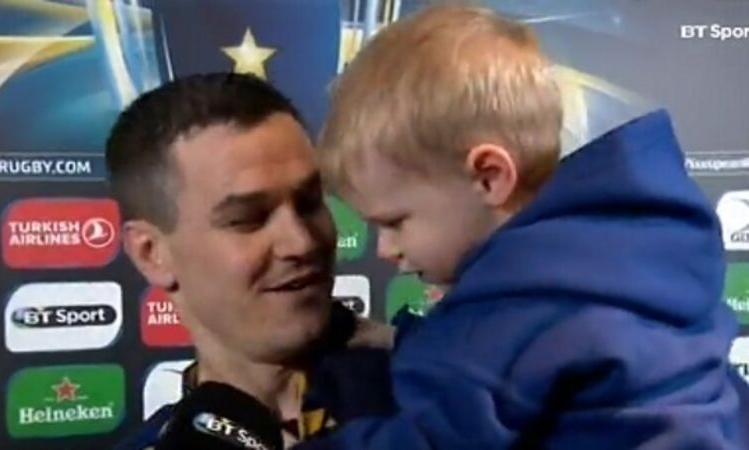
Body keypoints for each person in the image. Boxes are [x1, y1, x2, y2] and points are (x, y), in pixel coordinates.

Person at [293, 5, 749, 449]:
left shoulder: (508, 317)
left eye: (395, 222)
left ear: (489, 177)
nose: (386, 248)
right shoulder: (635, 256)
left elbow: (429, 437)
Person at [106, 72, 394, 450]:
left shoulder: (444, 387)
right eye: (249, 219)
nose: (301, 242)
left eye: (309, 202)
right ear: (150, 253)